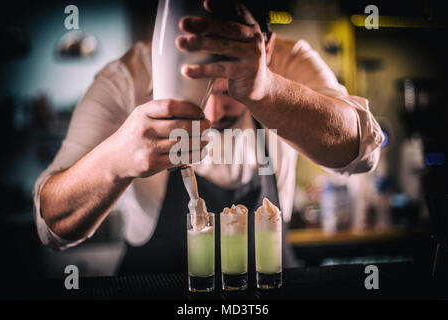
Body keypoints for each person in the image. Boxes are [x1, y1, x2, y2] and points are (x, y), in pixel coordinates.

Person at [33, 1, 384, 274]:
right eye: (196, 87)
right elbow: (52, 228)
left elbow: (364, 152)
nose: (212, 115)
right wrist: (116, 160)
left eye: (229, 88)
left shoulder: (290, 60)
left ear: (267, 47)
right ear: (164, 52)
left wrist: (267, 90)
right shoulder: (125, 80)